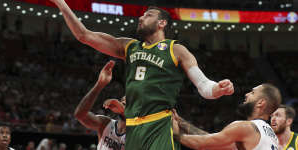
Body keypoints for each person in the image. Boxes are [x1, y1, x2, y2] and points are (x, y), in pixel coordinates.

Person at [49, 0, 234, 149]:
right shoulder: (129, 46)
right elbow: (84, 36)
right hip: (133, 129)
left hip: (159, 124)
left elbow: (203, 85)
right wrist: (62, 4)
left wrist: (217, 88)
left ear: (162, 23)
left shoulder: (176, 49)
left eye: (148, 15)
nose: (141, 17)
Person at [174, 83, 282, 150]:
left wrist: (174, 133)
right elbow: (210, 139)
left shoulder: (246, 128)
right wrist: (181, 121)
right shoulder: (271, 136)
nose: (246, 94)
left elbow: (201, 144)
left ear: (260, 103)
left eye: (253, 93)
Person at [74, 60, 125, 150]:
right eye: (123, 101)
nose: (125, 101)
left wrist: (123, 110)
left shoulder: (138, 133)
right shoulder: (106, 124)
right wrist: (99, 85)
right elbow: (80, 114)